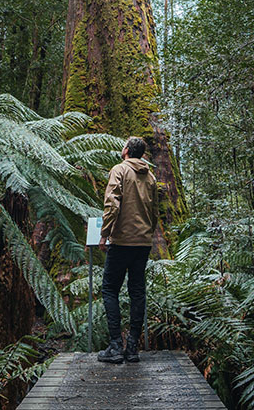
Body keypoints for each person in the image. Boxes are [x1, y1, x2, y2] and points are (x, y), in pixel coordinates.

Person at [96, 136, 157, 364]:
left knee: (110, 289)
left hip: (121, 241)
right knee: (137, 291)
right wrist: (148, 233)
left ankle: (115, 346)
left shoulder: (119, 170)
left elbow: (112, 204)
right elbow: (155, 210)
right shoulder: (150, 176)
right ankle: (132, 348)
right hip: (143, 243)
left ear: (127, 150)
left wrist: (105, 234)